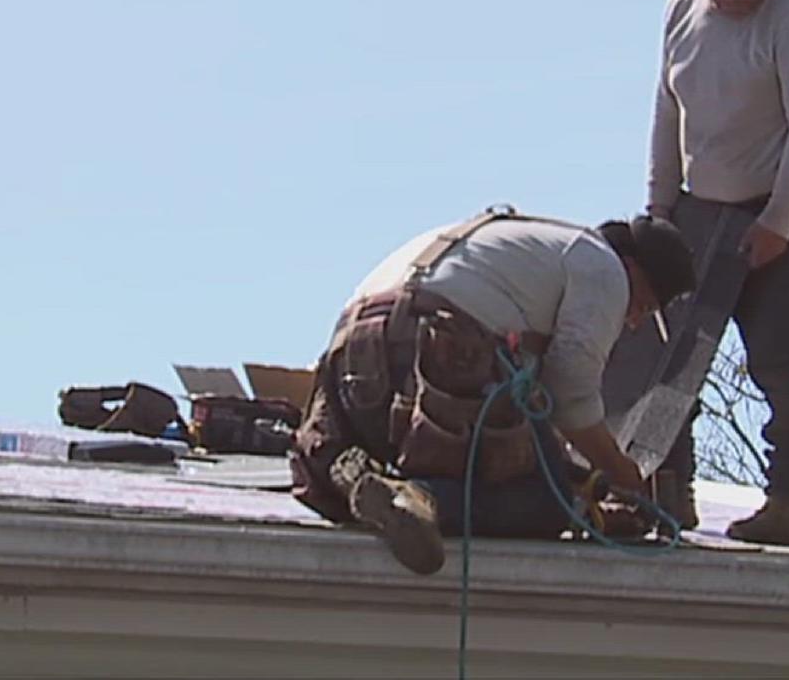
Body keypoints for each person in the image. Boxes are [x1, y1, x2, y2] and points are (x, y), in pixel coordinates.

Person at [290, 209, 696, 575]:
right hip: (439, 341)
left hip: (352, 356)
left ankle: (362, 482)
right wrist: (620, 471)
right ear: (633, 268)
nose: (633, 322)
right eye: (643, 306)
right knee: (543, 501)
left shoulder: (524, 244)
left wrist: (584, 485)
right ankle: (417, 497)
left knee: (531, 471)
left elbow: (541, 419)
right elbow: (570, 388)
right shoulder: (605, 267)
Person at [646, 0, 789, 547]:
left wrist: (780, 223)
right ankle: (663, 489)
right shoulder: (681, 10)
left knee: (779, 352)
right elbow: (667, 113)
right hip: (701, 205)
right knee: (674, 353)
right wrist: (659, 209)